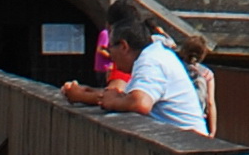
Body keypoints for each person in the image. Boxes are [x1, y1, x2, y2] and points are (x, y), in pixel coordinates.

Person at [60, 16, 209, 133]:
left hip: (189, 149)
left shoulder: (150, 60)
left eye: (111, 47)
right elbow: (121, 95)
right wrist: (81, 93)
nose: (110, 54)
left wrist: (112, 102)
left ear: (124, 46)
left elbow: (140, 103)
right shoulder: (153, 53)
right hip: (183, 144)